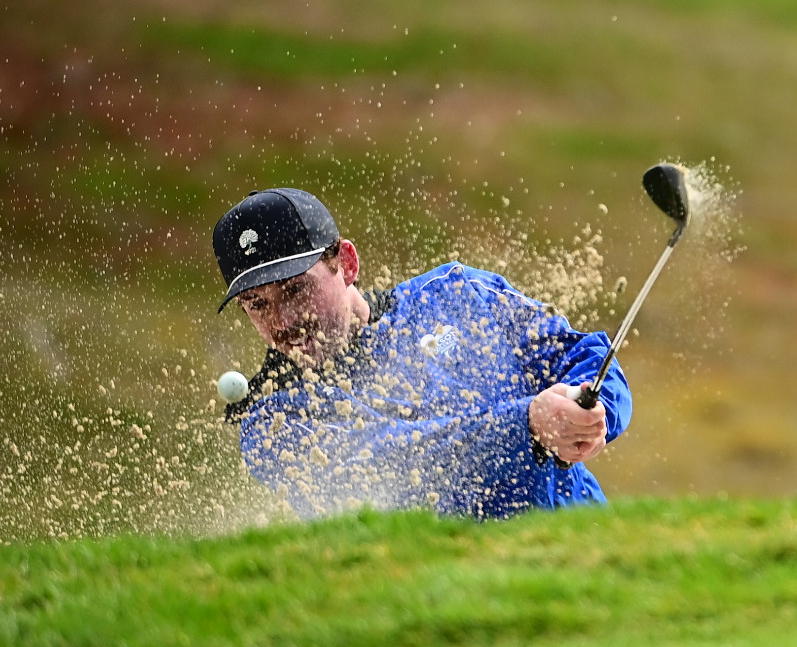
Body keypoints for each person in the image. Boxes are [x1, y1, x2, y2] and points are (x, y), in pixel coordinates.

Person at [211, 187, 631, 520]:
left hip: (584, 557)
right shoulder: (274, 417)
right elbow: (389, 469)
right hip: (442, 605)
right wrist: (528, 425)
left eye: (296, 290)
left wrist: (594, 410)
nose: (283, 322)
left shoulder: (456, 294)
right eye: (257, 304)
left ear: (348, 264)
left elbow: (577, 351)